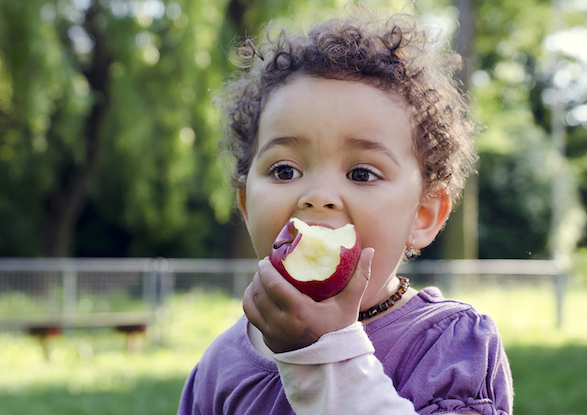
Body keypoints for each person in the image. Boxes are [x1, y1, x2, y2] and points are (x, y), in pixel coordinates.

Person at [178, 9, 513, 415]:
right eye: (285, 170)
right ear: (246, 205)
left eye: (361, 173)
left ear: (423, 215)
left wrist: (324, 355)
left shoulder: (450, 344)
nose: (318, 197)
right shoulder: (220, 366)